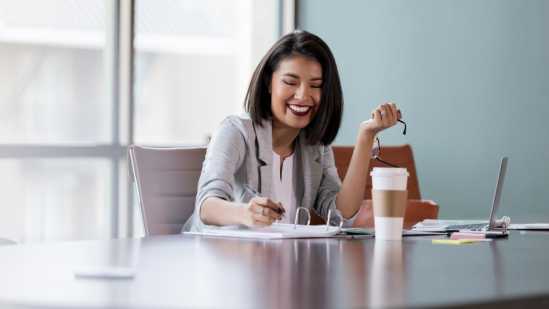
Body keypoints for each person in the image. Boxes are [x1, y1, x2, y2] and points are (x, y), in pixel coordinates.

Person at [184, 30, 400, 232]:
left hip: (280, 265)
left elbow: (341, 215)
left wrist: (366, 136)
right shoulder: (236, 131)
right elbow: (206, 206)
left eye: (315, 85)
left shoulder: (316, 147)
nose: (303, 95)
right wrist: (244, 213)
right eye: (290, 82)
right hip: (225, 263)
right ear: (269, 82)